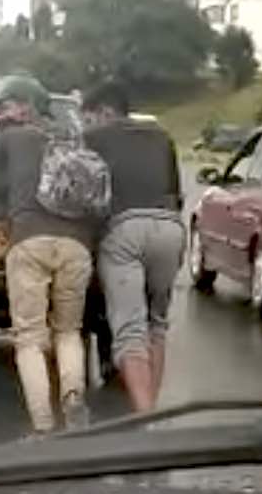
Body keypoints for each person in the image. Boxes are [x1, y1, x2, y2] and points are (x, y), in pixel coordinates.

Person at [0, 75, 94, 436]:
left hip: (29, 241)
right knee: (68, 331)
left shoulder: (11, 138)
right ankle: (73, 397)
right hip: (76, 244)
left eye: (6, 105)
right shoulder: (69, 138)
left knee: (30, 336)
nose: (1, 113)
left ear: (24, 106)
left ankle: (44, 424)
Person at [82, 80, 185, 412]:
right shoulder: (162, 136)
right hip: (170, 228)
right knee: (157, 323)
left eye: (89, 117)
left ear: (105, 112)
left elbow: (87, 198)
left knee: (128, 328)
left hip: (124, 229)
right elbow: (177, 193)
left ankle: (143, 416)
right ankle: (151, 407)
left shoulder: (92, 140)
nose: (87, 125)